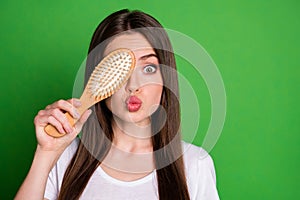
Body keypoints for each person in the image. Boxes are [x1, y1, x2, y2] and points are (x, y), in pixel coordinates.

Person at [15, 9, 219, 200]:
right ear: (96, 78)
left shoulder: (195, 164)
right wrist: (46, 153)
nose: (133, 85)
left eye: (148, 68)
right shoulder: (64, 157)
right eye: (120, 70)